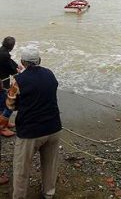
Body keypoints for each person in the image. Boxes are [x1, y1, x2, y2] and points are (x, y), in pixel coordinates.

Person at [0, 46, 62, 199]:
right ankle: (49, 193)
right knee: (50, 165)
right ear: (39, 61)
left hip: (30, 131)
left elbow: (10, 104)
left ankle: (19, 196)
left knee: (21, 168)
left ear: (22, 62)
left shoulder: (19, 81)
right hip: (54, 128)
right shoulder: (50, 74)